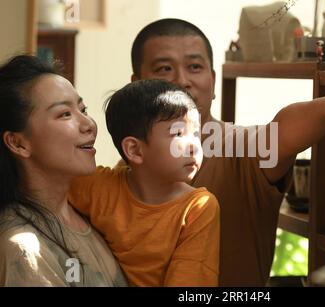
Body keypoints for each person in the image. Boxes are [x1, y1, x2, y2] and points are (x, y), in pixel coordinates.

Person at [127, 18, 325, 286]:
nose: (182, 81)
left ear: (212, 81)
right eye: (164, 68)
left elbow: (282, 132)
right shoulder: (125, 168)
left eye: (195, 67)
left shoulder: (238, 148)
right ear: (136, 84)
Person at [68, 79, 220, 286]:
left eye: (195, 133)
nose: (194, 146)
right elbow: (46, 181)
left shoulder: (198, 207)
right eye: (178, 133)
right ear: (134, 150)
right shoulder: (99, 187)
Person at [0, 55, 127, 287]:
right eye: (65, 114)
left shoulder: (93, 213)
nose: (89, 124)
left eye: (82, 109)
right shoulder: (23, 247)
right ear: (18, 143)